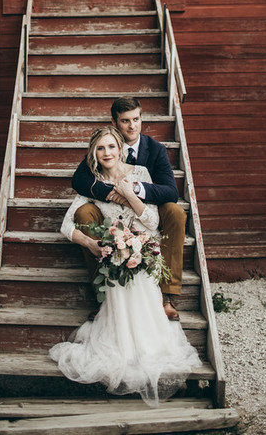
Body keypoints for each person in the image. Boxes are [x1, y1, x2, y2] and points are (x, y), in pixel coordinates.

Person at [49, 126, 201, 406]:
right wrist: (91, 244)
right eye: (101, 148)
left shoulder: (140, 173)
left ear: (121, 148)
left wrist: (130, 194)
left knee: (147, 318)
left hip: (142, 249)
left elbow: (154, 223)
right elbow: (66, 225)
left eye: (111, 147)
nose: (107, 153)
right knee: (116, 288)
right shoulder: (92, 183)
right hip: (114, 256)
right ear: (94, 154)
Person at [71, 96, 186, 320]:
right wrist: (112, 194)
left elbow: (171, 191)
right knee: (83, 212)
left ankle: (167, 296)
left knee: (176, 212)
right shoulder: (106, 146)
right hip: (111, 212)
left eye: (136, 119)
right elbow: (79, 181)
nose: (132, 126)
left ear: (142, 119)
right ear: (115, 122)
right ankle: (103, 295)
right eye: (125, 121)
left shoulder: (155, 149)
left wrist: (136, 190)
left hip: (146, 209)